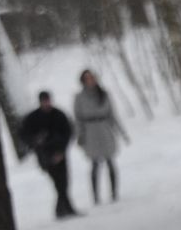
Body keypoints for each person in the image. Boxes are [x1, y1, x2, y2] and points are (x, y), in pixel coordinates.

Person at [17, 91, 79, 219]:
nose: (46, 103)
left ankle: (63, 208)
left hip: (60, 152)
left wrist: (61, 150)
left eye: (48, 100)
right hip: (44, 154)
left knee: (64, 181)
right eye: (44, 101)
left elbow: (68, 132)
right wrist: (35, 141)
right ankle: (64, 208)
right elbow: (23, 134)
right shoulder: (33, 118)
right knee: (57, 182)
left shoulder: (59, 114)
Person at [73, 69, 127, 205]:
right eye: (87, 79)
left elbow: (112, 114)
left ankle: (114, 193)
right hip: (90, 132)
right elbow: (78, 118)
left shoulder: (104, 94)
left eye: (92, 78)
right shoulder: (79, 98)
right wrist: (80, 135)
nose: (90, 81)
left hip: (104, 130)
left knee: (110, 162)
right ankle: (96, 196)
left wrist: (121, 131)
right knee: (95, 164)